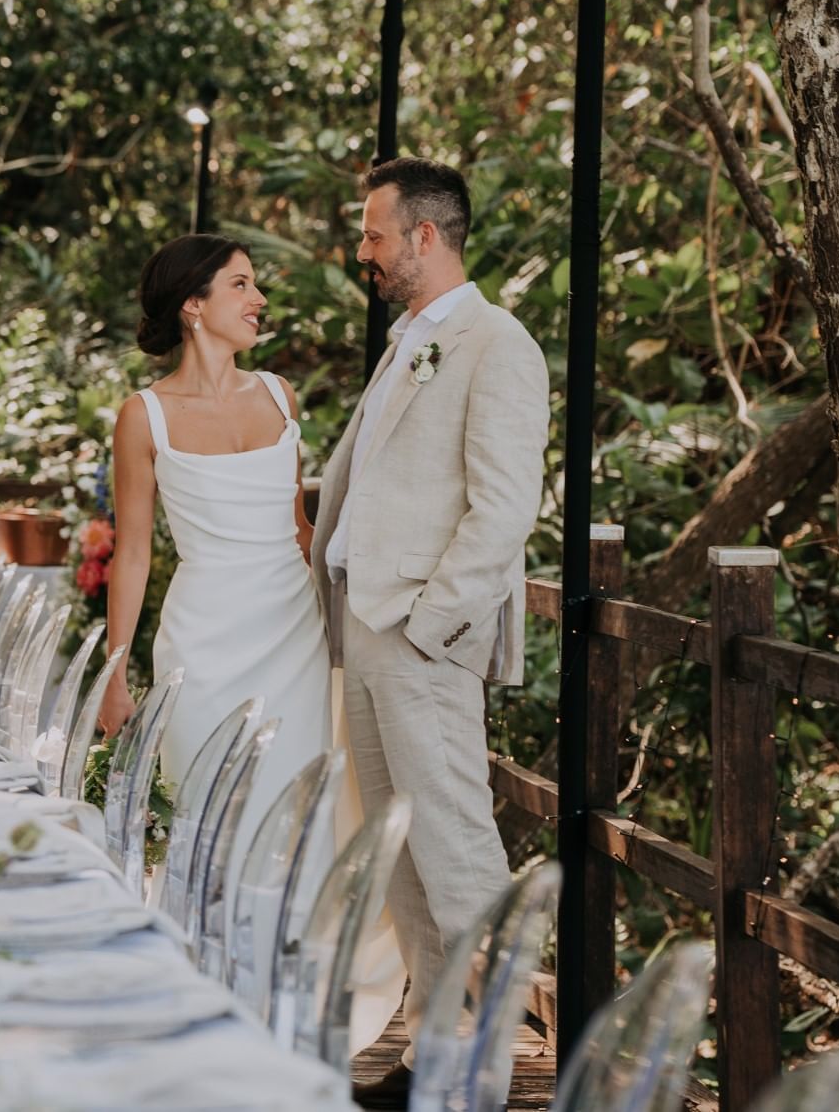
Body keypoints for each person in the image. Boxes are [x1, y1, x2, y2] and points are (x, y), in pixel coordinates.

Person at [311, 156, 548, 1102]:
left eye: (373, 233)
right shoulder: (410, 337)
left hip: (417, 635)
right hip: (364, 626)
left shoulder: (497, 344)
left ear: (423, 235)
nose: (361, 250)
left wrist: (429, 625)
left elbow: (502, 510)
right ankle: (430, 1049)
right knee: (404, 852)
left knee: (456, 851)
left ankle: (487, 1068)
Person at [95, 235, 330, 823]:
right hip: (202, 643)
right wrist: (114, 674)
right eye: (241, 284)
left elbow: (301, 529)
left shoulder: (281, 396)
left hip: (295, 638)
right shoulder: (142, 416)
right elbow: (132, 556)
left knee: (294, 815)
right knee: (200, 809)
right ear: (193, 305)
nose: (260, 298)